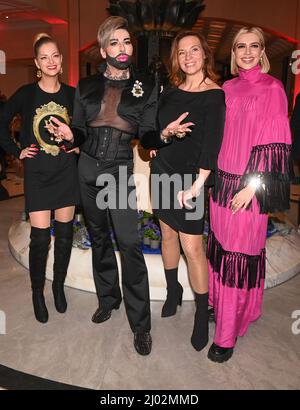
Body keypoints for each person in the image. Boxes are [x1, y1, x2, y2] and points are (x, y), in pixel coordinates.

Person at [47, 17, 157, 356]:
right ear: (103, 49)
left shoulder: (147, 84)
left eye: (127, 42)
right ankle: (108, 299)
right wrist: (69, 136)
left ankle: (141, 325)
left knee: (129, 243)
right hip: (88, 170)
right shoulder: (86, 86)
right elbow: (79, 129)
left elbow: (148, 132)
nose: (122, 48)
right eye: (115, 43)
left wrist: (159, 139)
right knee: (98, 239)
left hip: (120, 173)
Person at [207, 27, 293, 362]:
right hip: (222, 186)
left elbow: (276, 146)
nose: (246, 52)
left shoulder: (273, 89)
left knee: (239, 255)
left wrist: (252, 187)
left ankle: (226, 335)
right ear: (233, 52)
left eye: (253, 46)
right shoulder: (226, 87)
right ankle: (228, 306)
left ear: (262, 51)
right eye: (240, 46)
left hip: (249, 189)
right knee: (222, 251)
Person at [141, 31, 225, 352]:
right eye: (181, 52)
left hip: (191, 181)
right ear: (176, 58)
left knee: (193, 249)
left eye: (194, 50)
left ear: (205, 55)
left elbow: (211, 146)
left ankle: (201, 315)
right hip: (161, 172)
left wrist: (197, 186)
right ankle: (173, 291)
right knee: (166, 236)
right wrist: (162, 136)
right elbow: (152, 133)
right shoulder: (170, 92)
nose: (188, 56)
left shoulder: (214, 95)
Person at [0, 33, 80, 323]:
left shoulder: (72, 95)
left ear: (61, 60)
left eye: (55, 55)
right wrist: (15, 150)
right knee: (40, 240)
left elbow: (84, 131)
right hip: (37, 176)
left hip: (65, 174)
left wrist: (77, 143)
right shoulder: (25, 93)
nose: (50, 61)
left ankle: (58, 287)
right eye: (44, 57)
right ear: (36, 62)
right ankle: (37, 292)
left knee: (65, 237)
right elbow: (2, 122)